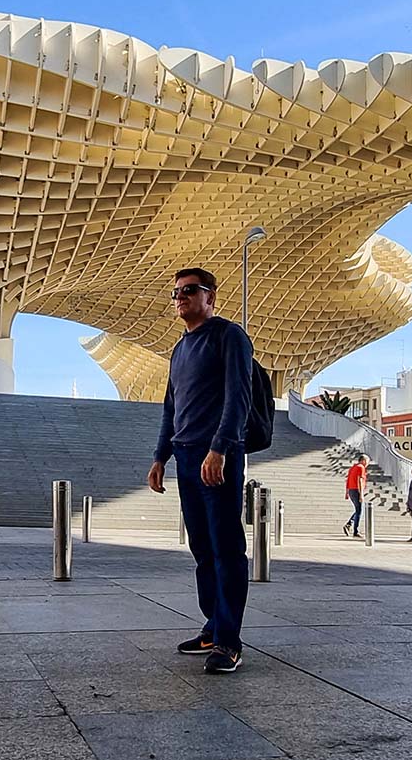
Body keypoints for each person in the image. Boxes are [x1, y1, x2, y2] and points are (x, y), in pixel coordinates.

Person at [147, 267, 252, 675]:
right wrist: (160, 456)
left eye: (190, 291)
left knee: (227, 548)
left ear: (211, 297)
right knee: (202, 550)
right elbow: (171, 407)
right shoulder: (180, 349)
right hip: (187, 457)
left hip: (217, 458)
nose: (181, 298)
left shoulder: (229, 336)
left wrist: (220, 449)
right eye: (176, 293)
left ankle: (229, 641)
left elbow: (238, 397)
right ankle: (212, 626)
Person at [343, 455, 369, 538]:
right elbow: (360, 480)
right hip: (356, 490)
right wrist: (361, 494)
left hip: (351, 490)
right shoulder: (361, 467)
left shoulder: (352, 468)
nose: (368, 463)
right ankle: (355, 530)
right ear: (363, 460)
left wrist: (347, 492)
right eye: (367, 461)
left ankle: (349, 525)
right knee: (359, 511)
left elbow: (348, 480)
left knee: (358, 510)